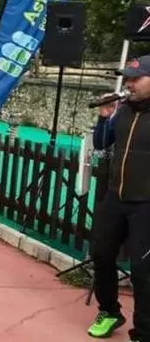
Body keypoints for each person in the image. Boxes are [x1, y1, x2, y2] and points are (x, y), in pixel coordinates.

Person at [88, 55, 150, 341]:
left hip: (146, 204)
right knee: (101, 255)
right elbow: (102, 143)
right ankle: (110, 311)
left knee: (142, 269)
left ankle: (144, 332)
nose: (129, 84)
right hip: (115, 197)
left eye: (136, 78)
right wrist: (104, 117)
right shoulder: (123, 111)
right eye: (128, 79)